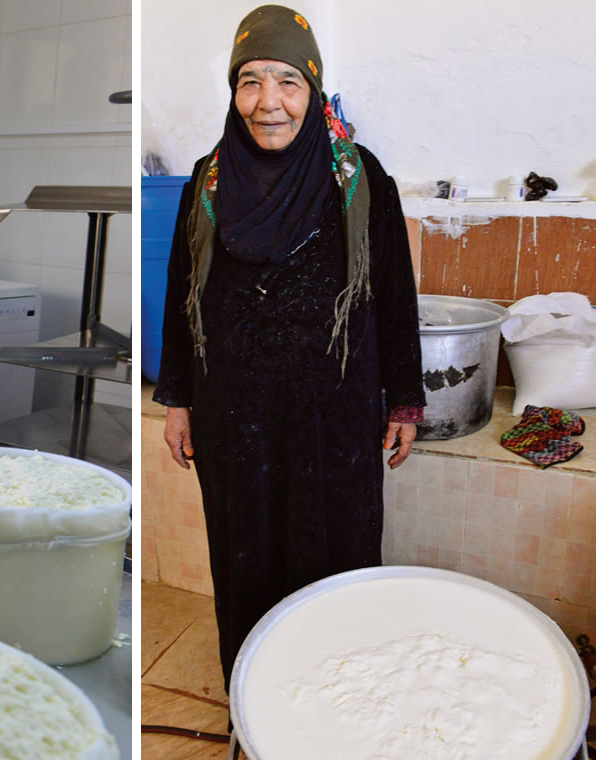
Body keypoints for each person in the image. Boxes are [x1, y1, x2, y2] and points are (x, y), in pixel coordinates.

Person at [152, 5, 425, 691]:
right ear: (233, 91)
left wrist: (405, 400)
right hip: (234, 418)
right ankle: (257, 694)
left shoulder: (360, 181)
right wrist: (177, 400)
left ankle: (338, 695)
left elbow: (394, 296)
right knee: (246, 558)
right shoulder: (206, 185)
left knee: (336, 553)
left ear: (312, 86)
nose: (267, 102)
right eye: (249, 81)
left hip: (333, 416)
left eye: (286, 81)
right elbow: (181, 297)